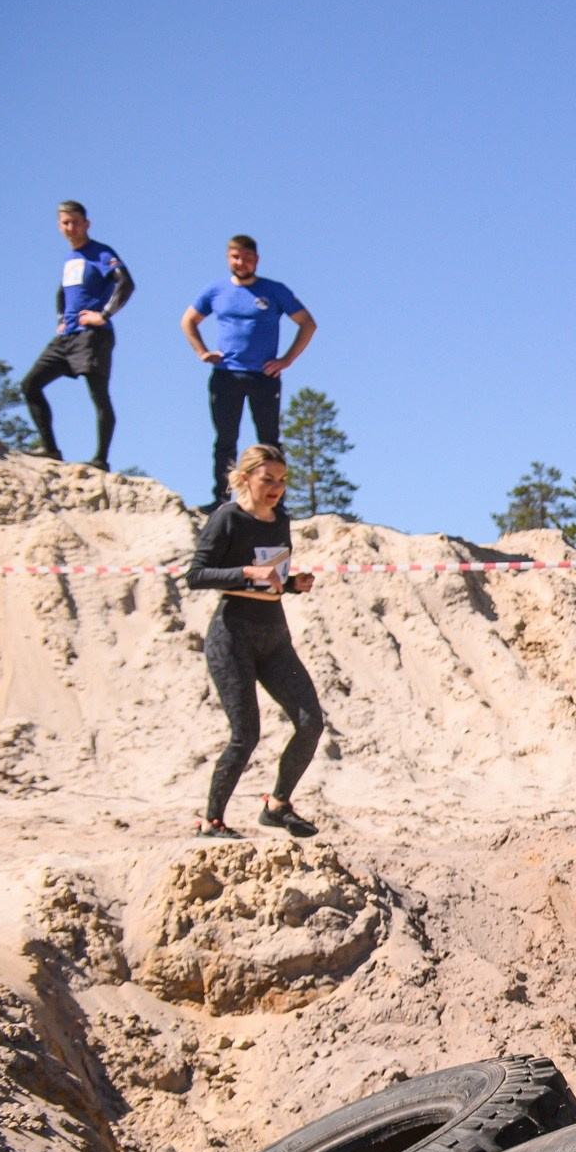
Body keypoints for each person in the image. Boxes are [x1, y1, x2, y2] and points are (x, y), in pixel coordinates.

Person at [184, 444, 324, 838]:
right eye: (268, 480)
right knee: (245, 734)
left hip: (274, 637)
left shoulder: (281, 519)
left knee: (311, 722)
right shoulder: (227, 518)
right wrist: (248, 572)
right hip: (232, 637)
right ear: (245, 478)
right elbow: (195, 576)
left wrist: (293, 585)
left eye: (282, 481)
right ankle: (211, 821)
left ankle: (277, 805)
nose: (277, 488)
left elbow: (272, 577)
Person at [182, 235, 316, 505]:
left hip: (264, 376)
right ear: (228, 258)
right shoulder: (215, 290)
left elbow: (307, 323)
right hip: (226, 374)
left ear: (257, 260)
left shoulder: (274, 290)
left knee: (269, 441)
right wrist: (202, 351)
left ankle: (275, 501)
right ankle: (221, 498)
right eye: (236, 257)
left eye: (247, 258)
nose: (241, 263)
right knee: (225, 439)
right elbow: (188, 321)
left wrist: (286, 359)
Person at [21, 201, 133, 469]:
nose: (70, 228)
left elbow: (126, 282)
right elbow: (63, 291)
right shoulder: (70, 258)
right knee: (29, 385)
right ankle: (50, 450)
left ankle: (100, 459)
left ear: (86, 224)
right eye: (65, 223)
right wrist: (61, 319)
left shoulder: (101, 253)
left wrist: (103, 315)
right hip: (66, 337)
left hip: (93, 336)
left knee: (98, 395)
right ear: (59, 226)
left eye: (74, 222)